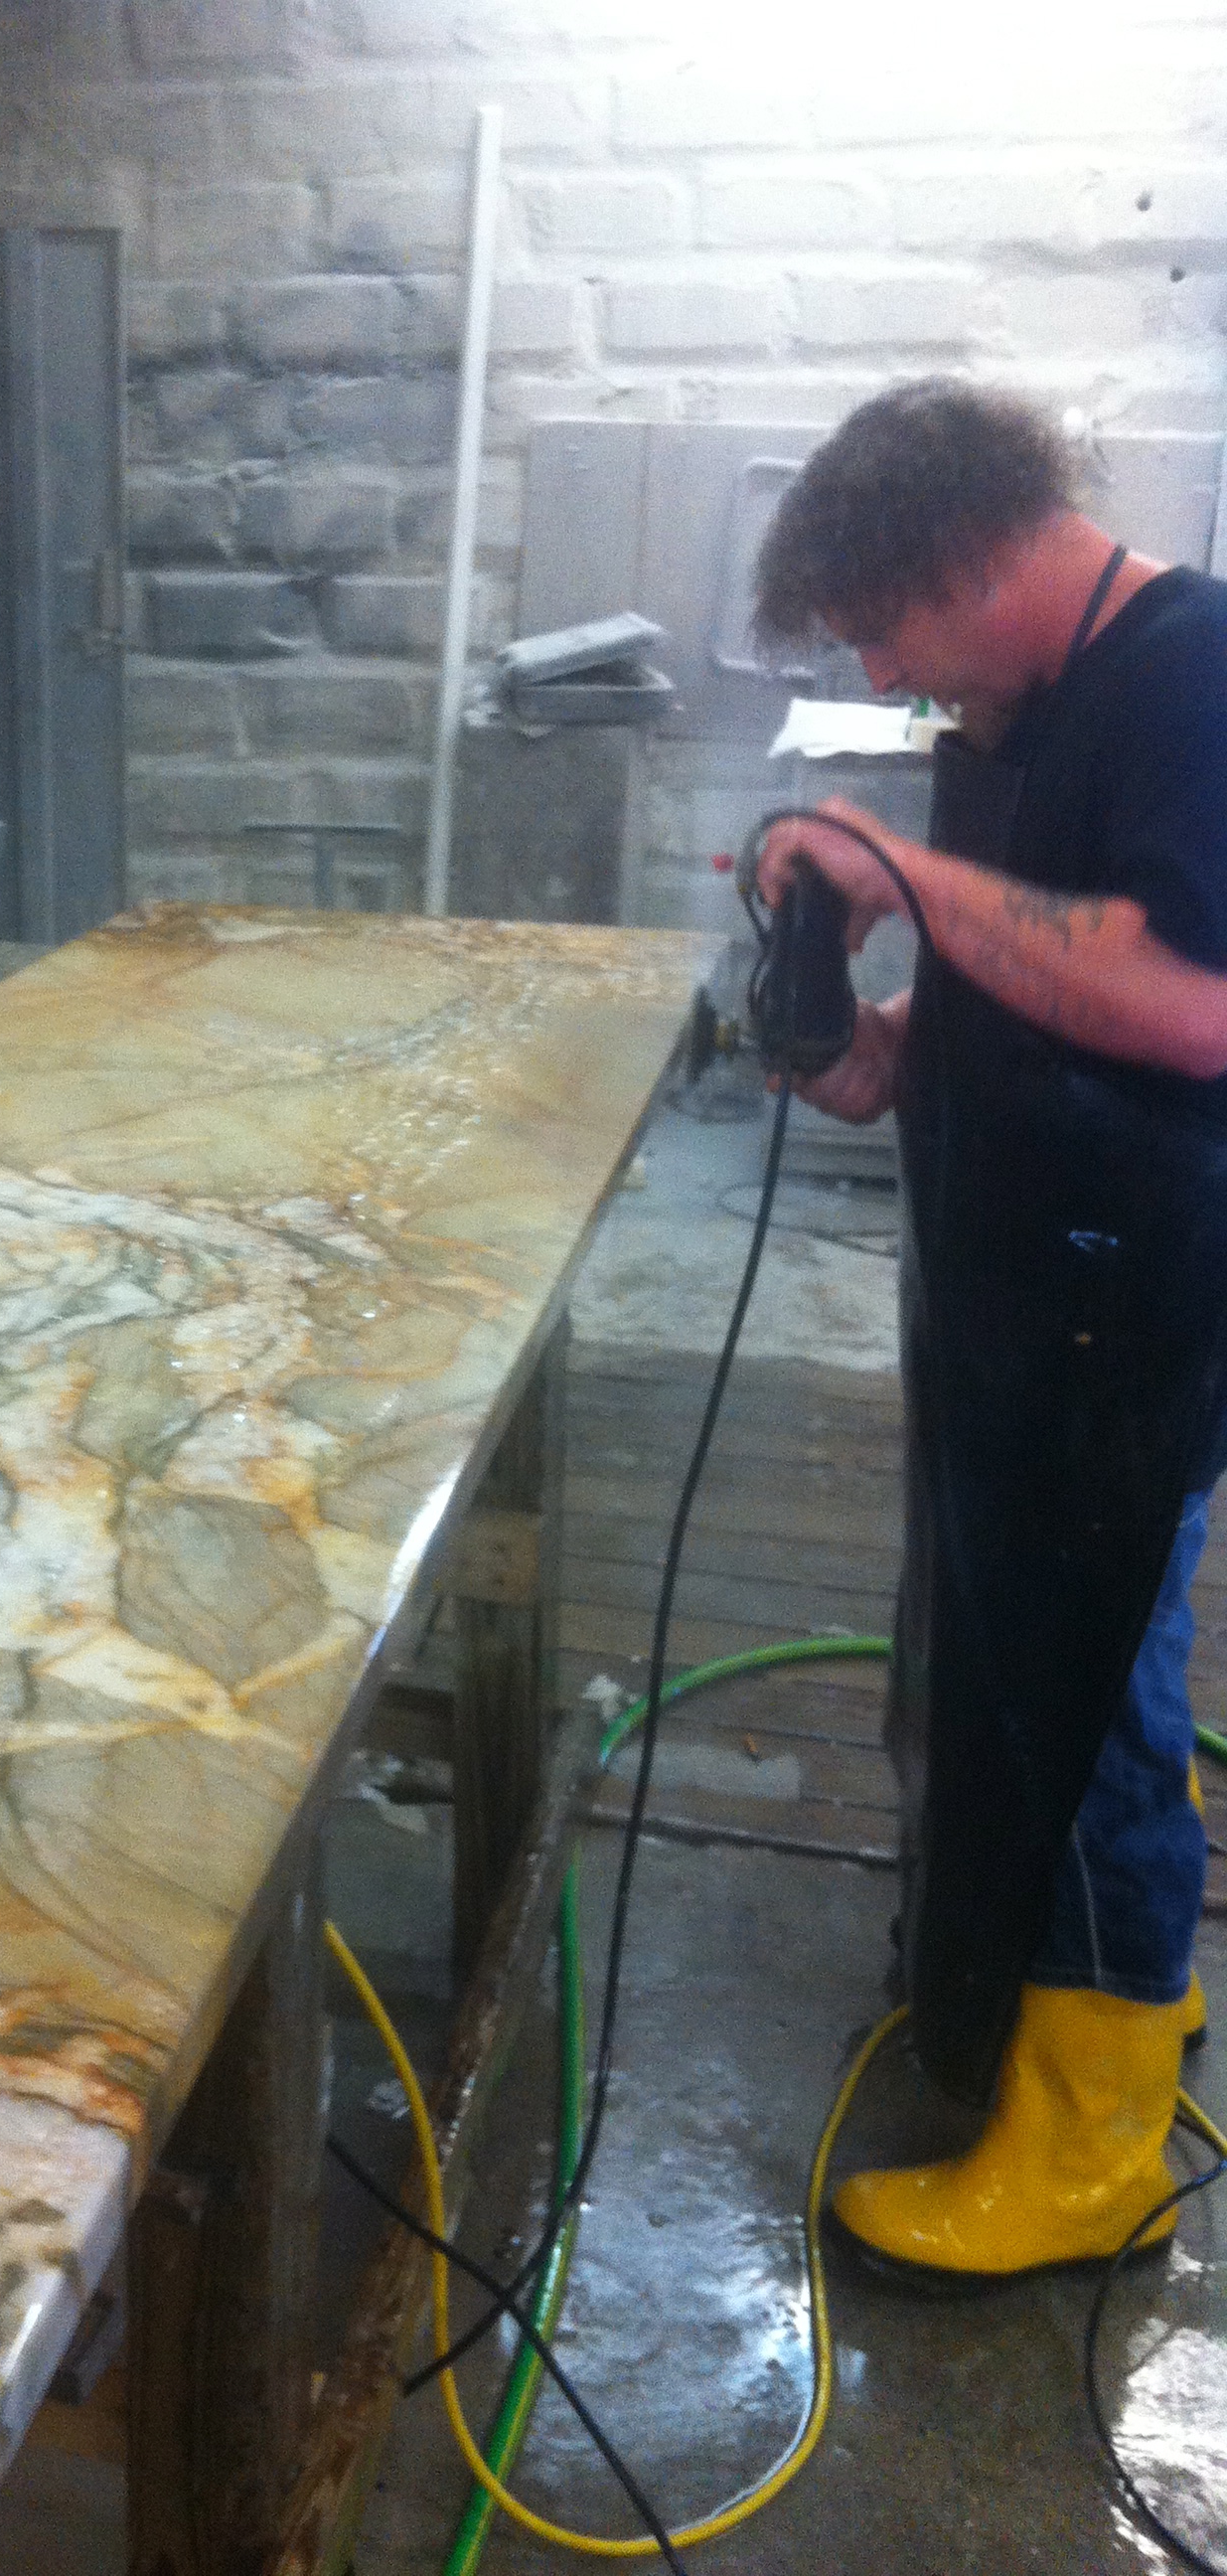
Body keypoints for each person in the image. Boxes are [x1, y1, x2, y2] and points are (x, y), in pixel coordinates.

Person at [751, 378, 1227, 2278]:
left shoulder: (1194, 675)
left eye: (886, 627)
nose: (881, 671)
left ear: (971, 556)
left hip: (1136, 1295)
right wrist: (870, 1039)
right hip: (1010, 1282)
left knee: (1086, 1683)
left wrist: (909, 876)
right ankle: (1044, 1985)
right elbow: (1014, 962)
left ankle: (1096, 2139)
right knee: (1002, 1658)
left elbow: (1194, 1002)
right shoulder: (1008, 706)